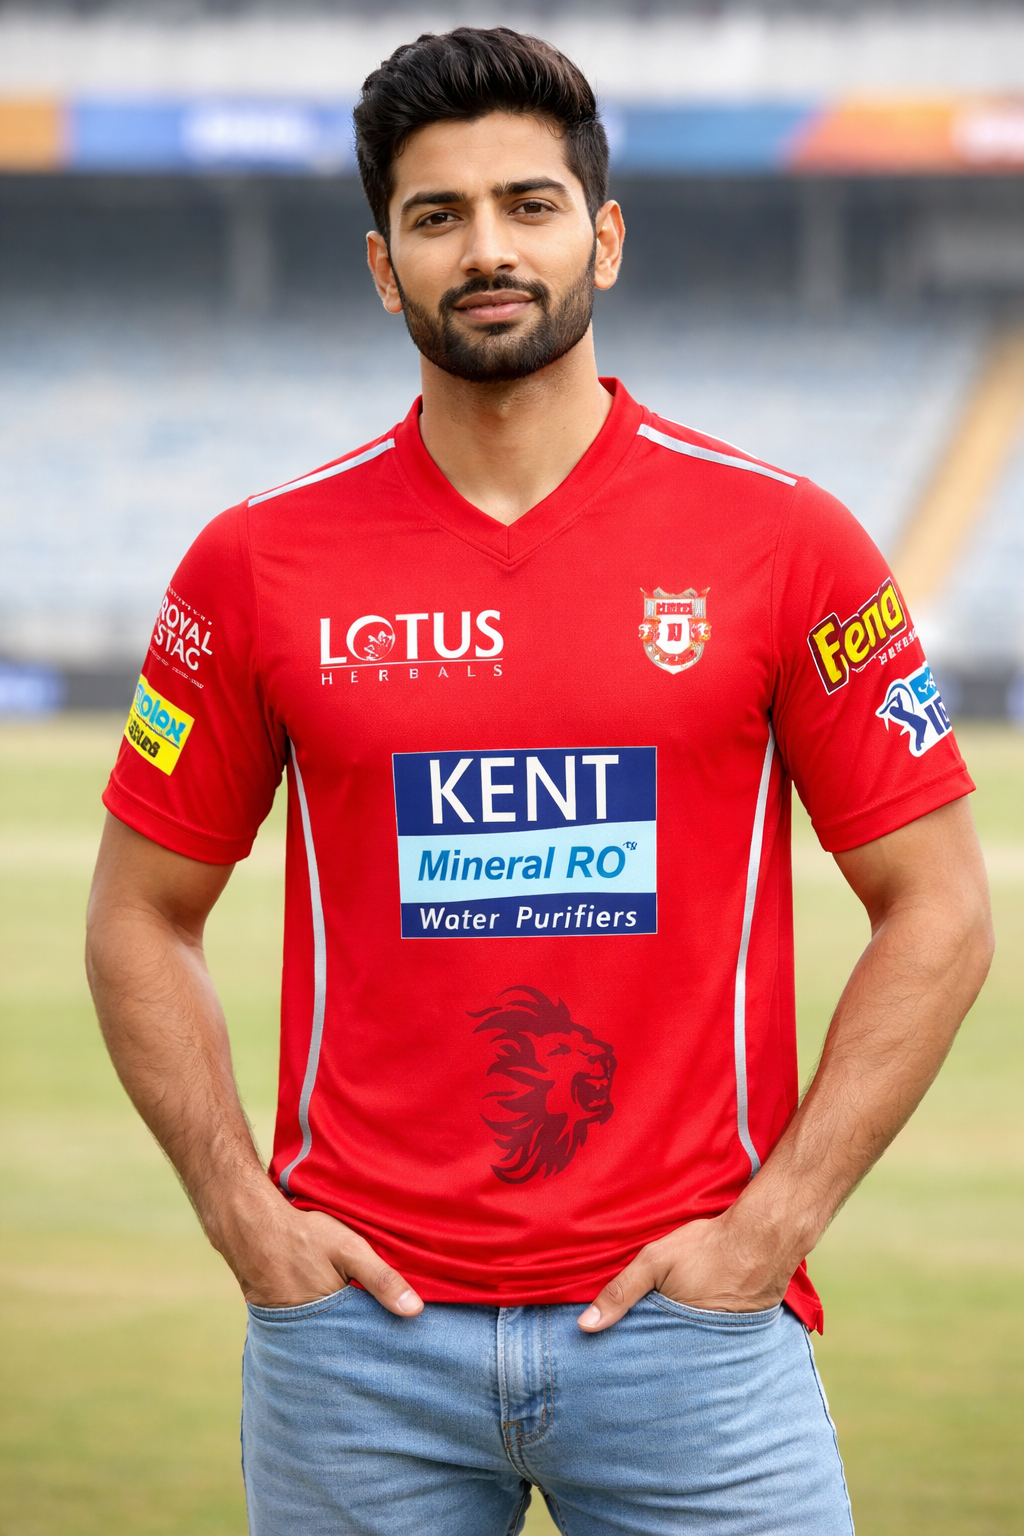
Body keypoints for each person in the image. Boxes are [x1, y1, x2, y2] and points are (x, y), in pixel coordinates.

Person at [85, 26, 992, 1536]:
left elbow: (942, 905)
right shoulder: (254, 564)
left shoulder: (787, 542)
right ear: (383, 267)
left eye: (530, 204)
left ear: (604, 238)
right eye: (437, 216)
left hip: (694, 1336)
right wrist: (245, 1216)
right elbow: (137, 914)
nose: (488, 249)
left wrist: (776, 1225)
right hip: (356, 1347)